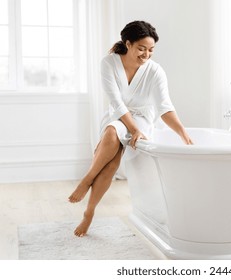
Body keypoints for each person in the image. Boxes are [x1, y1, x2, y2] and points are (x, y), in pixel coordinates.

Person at [68, 20, 193, 237]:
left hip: (143, 118)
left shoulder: (155, 71)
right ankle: (88, 181)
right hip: (118, 114)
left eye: (151, 50)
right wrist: (131, 129)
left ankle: (88, 210)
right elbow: (116, 103)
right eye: (141, 49)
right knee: (111, 132)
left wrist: (182, 132)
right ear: (128, 44)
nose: (146, 54)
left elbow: (164, 107)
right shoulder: (108, 63)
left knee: (112, 163)